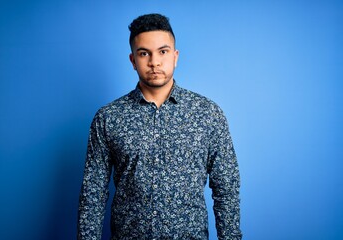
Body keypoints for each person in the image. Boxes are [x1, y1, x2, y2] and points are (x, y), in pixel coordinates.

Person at [77, 13, 242, 240]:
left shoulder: (207, 114)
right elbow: (93, 193)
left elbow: (226, 189)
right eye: (144, 53)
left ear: (175, 56)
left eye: (163, 52)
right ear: (133, 60)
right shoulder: (108, 118)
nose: (154, 62)